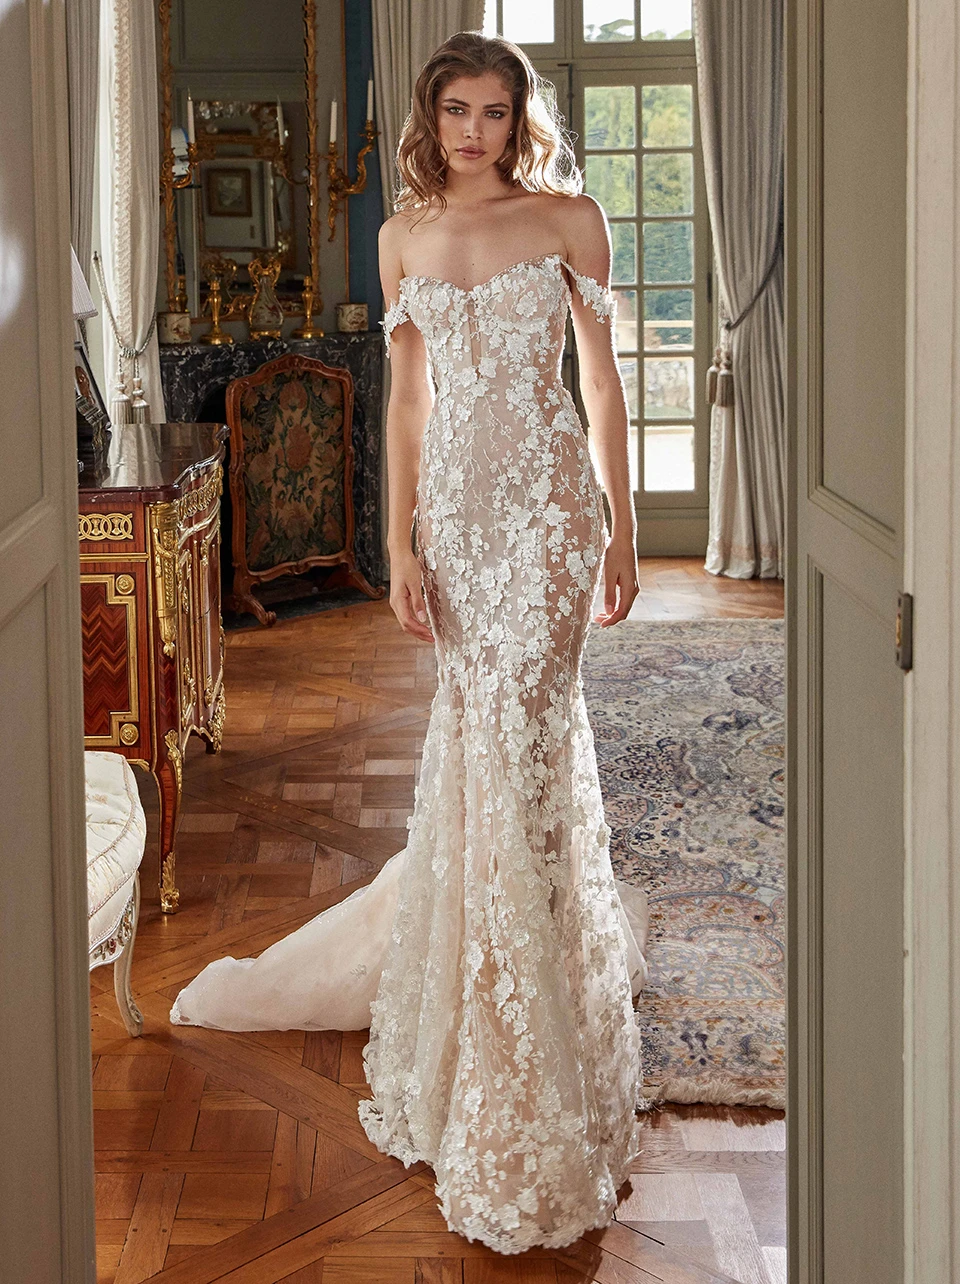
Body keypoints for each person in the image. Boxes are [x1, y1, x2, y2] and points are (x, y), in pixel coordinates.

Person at [171, 29, 651, 1256]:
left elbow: (601, 387)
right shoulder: (397, 241)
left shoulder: (569, 222)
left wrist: (619, 532)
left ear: (517, 119)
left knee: (521, 740)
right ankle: (486, 1006)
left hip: (546, 523)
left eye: (496, 112)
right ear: (430, 120)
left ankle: (532, 1028)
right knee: (483, 751)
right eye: (458, 112)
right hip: (462, 527)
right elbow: (407, 401)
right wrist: (400, 545)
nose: (477, 132)